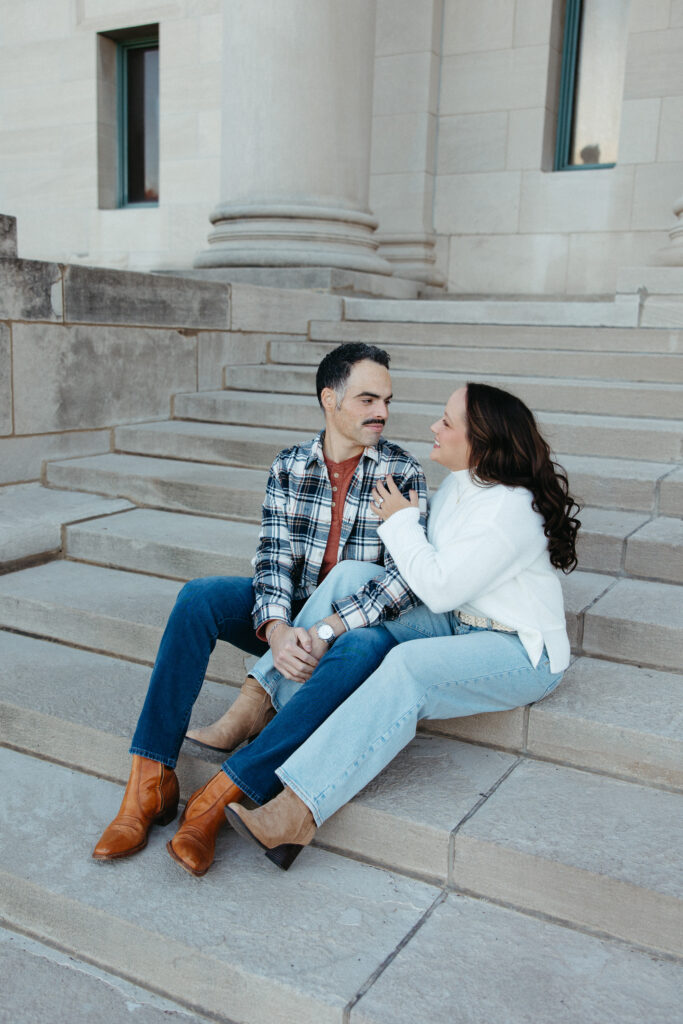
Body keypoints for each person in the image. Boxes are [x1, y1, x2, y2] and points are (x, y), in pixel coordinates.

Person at [92, 343, 428, 875]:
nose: (381, 411)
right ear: (330, 399)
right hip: (290, 615)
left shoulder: (402, 471)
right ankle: (149, 780)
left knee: (365, 646)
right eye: (367, 399)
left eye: (386, 400)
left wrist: (323, 627)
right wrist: (274, 627)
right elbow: (271, 558)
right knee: (198, 598)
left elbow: (404, 581)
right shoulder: (290, 466)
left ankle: (218, 800)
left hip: (348, 628)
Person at [223, 382, 581, 869]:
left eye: (448, 422)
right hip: (459, 622)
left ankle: (298, 810)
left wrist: (401, 521)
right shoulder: (464, 482)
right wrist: (334, 621)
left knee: (406, 666)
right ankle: (264, 697)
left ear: (481, 441)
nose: (434, 426)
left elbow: (437, 587)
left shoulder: (508, 511)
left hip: (518, 650)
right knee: (349, 574)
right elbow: (423, 575)